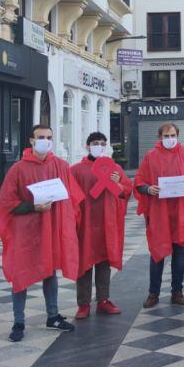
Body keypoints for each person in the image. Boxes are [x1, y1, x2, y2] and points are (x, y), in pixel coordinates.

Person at [0, 125, 83, 342]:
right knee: (20, 273)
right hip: (25, 231)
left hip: (52, 227)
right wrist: (32, 207)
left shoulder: (61, 166)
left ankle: (53, 315)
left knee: (50, 271)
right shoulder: (18, 169)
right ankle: (18, 321)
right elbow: (6, 202)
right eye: (41, 137)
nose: (46, 141)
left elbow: (72, 197)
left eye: (49, 137)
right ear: (31, 141)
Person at [135, 122, 184, 308]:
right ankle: (153, 293)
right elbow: (139, 181)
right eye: (166, 136)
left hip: (181, 213)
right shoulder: (150, 157)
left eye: (173, 135)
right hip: (160, 213)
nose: (170, 139)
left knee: (179, 253)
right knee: (157, 253)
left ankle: (177, 291)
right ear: (160, 138)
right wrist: (148, 189)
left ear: (178, 136)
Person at [70, 132, 132, 319]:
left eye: (102, 143)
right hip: (86, 224)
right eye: (95, 143)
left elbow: (126, 190)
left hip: (107, 223)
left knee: (104, 262)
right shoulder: (76, 170)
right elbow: (70, 195)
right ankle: (83, 303)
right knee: (84, 263)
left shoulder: (114, 169)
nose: (99, 146)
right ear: (88, 146)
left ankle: (103, 300)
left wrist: (118, 185)